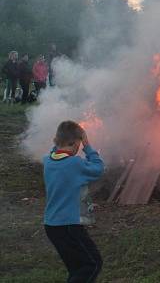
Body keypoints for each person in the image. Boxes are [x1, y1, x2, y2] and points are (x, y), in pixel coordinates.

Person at [43, 120, 104, 282]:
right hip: (68, 226)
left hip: (51, 225)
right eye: (79, 142)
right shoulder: (74, 163)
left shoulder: (48, 161)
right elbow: (98, 168)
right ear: (76, 143)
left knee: (77, 268)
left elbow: (54, 150)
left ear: (57, 141)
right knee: (92, 264)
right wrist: (88, 146)